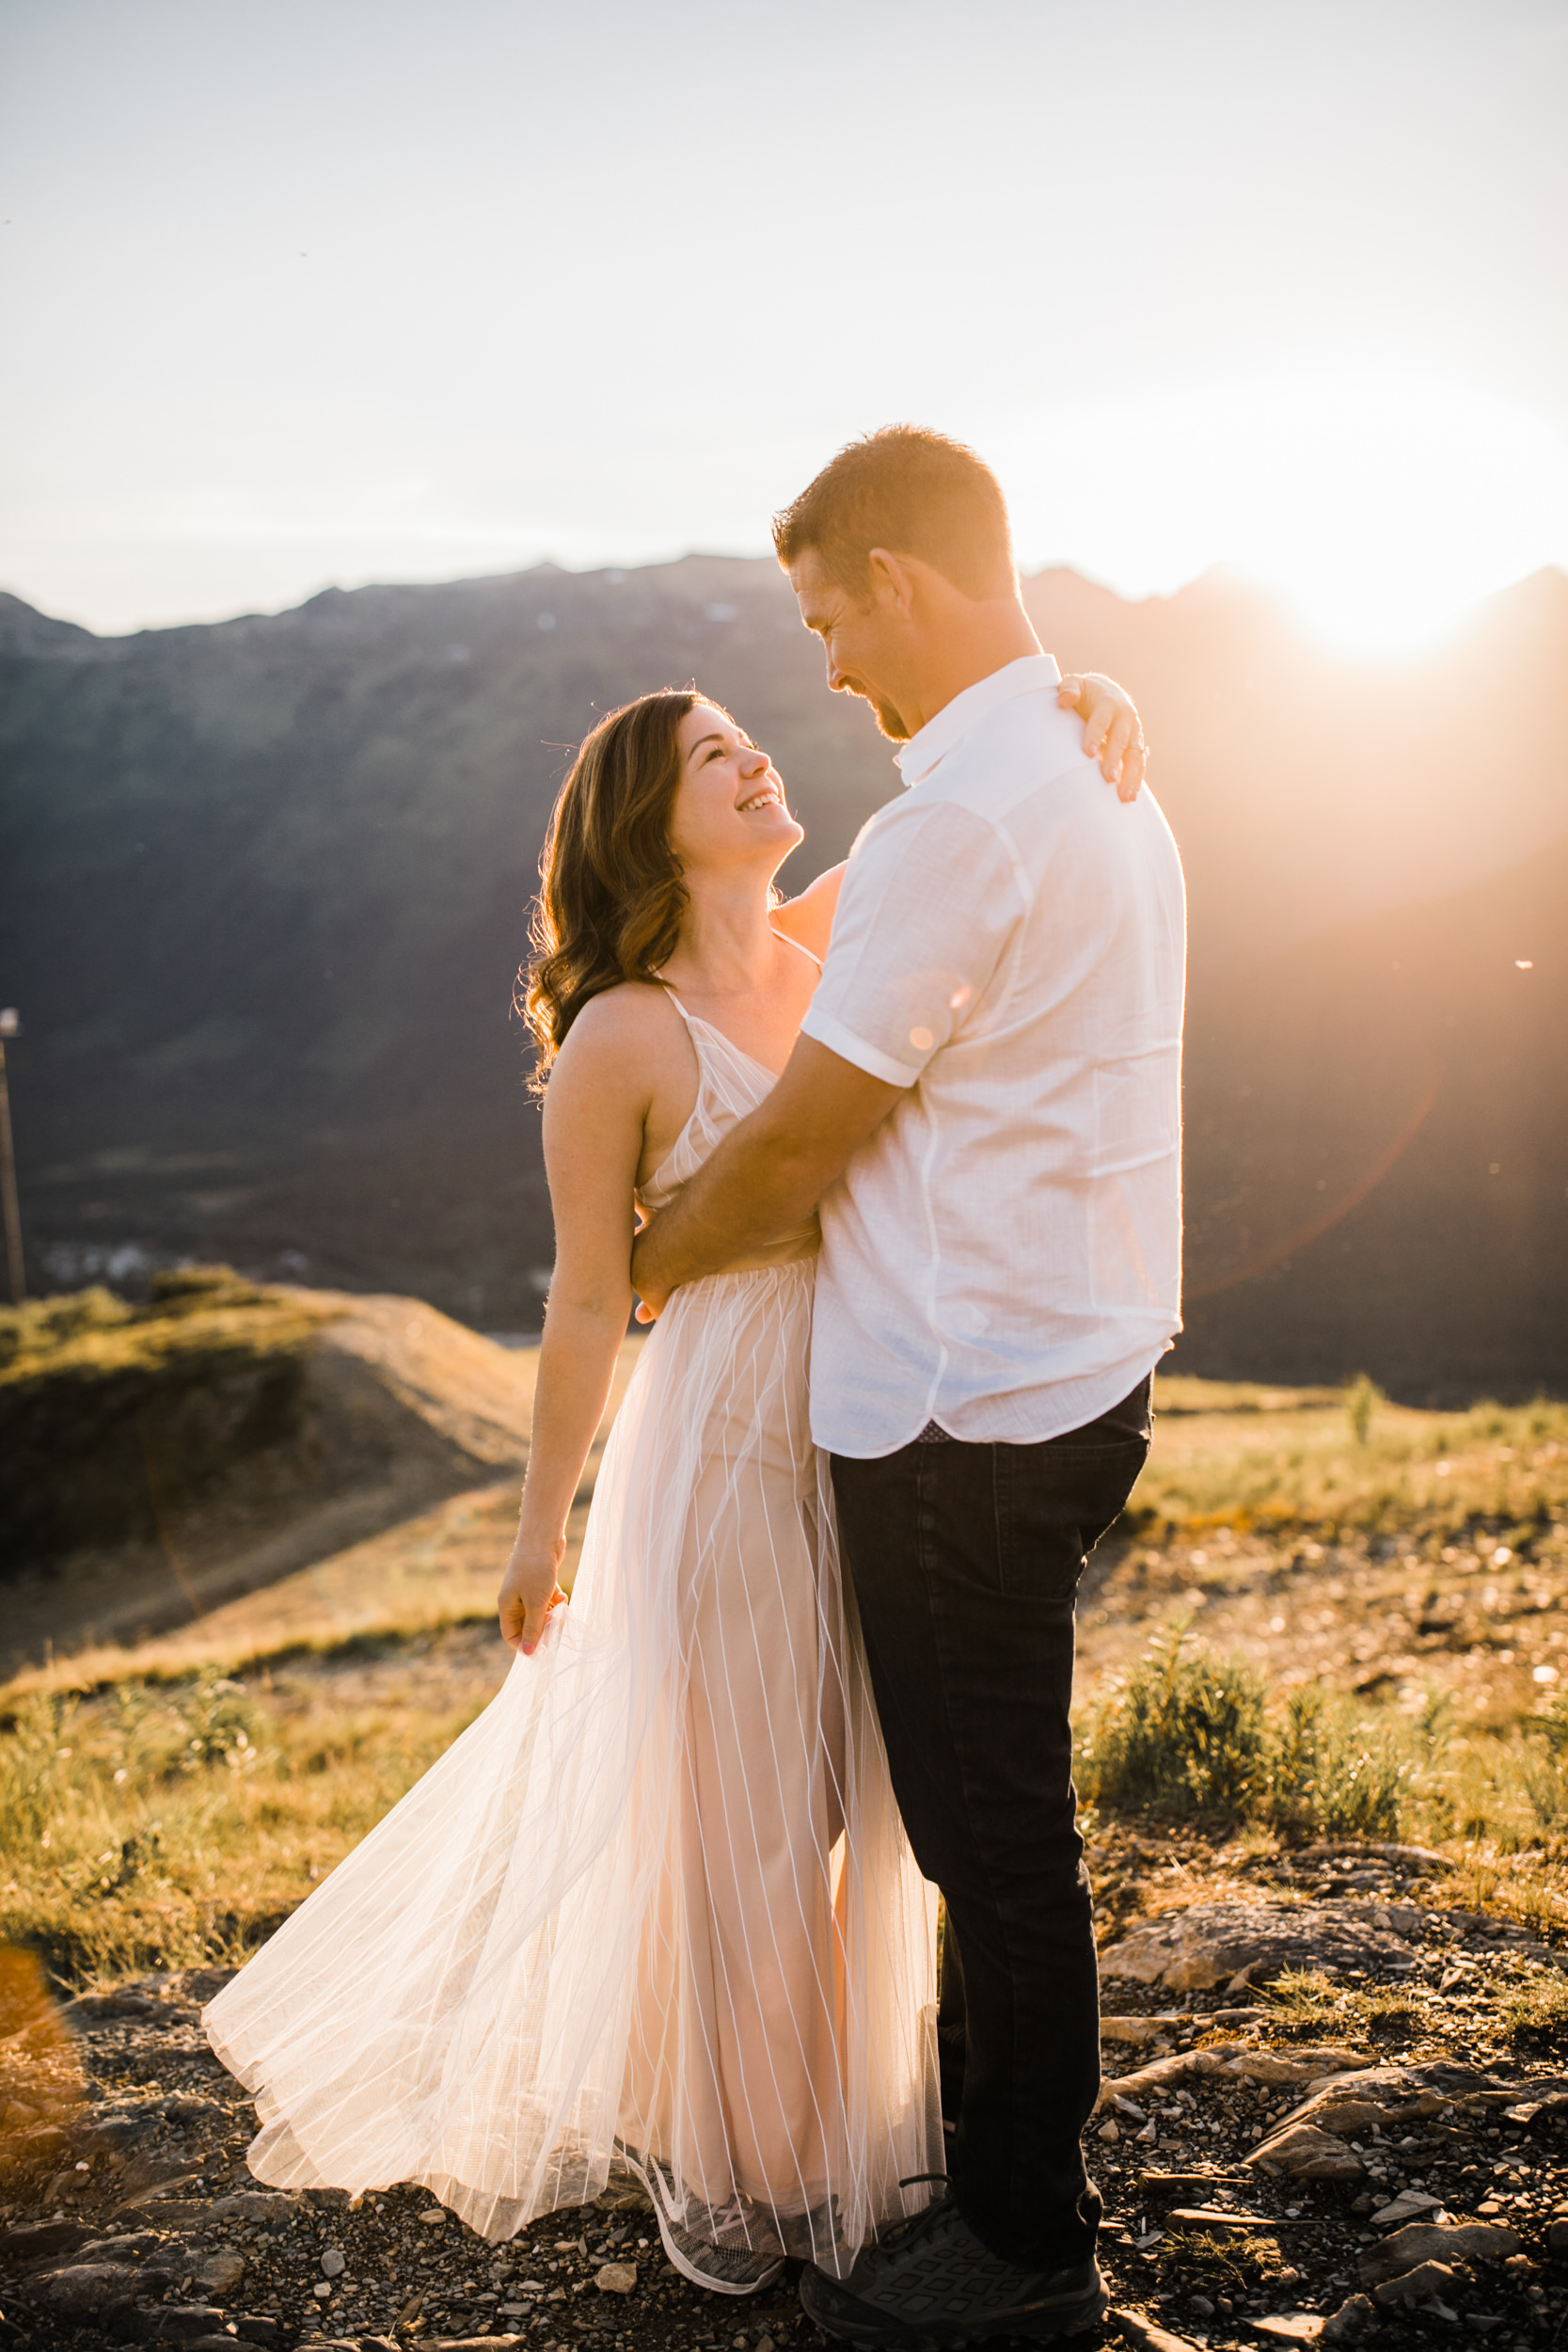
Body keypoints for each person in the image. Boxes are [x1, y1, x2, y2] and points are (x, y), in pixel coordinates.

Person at [201, 639, 1149, 2303]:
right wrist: (536, 1529)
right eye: (715, 758)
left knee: (867, 1793)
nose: (758, 763)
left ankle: (846, 2115)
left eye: (747, 741)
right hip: (717, 1450)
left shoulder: (832, 930)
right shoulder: (620, 1042)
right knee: (749, 1824)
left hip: (870, 1425)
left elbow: (998, 810)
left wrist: (1089, 701)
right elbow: (585, 1297)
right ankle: (764, 2161)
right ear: (650, 829)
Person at [631, 426, 1185, 2345]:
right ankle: (989, 2163)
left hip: (964, 1413)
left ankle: (1023, 2238)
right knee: (983, 1813)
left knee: (986, 1833)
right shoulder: (1095, 772)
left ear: (903, 578)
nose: (831, 670)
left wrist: (641, 1263)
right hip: (1074, 1368)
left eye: (831, 619)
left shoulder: (968, 820)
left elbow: (794, 1146)